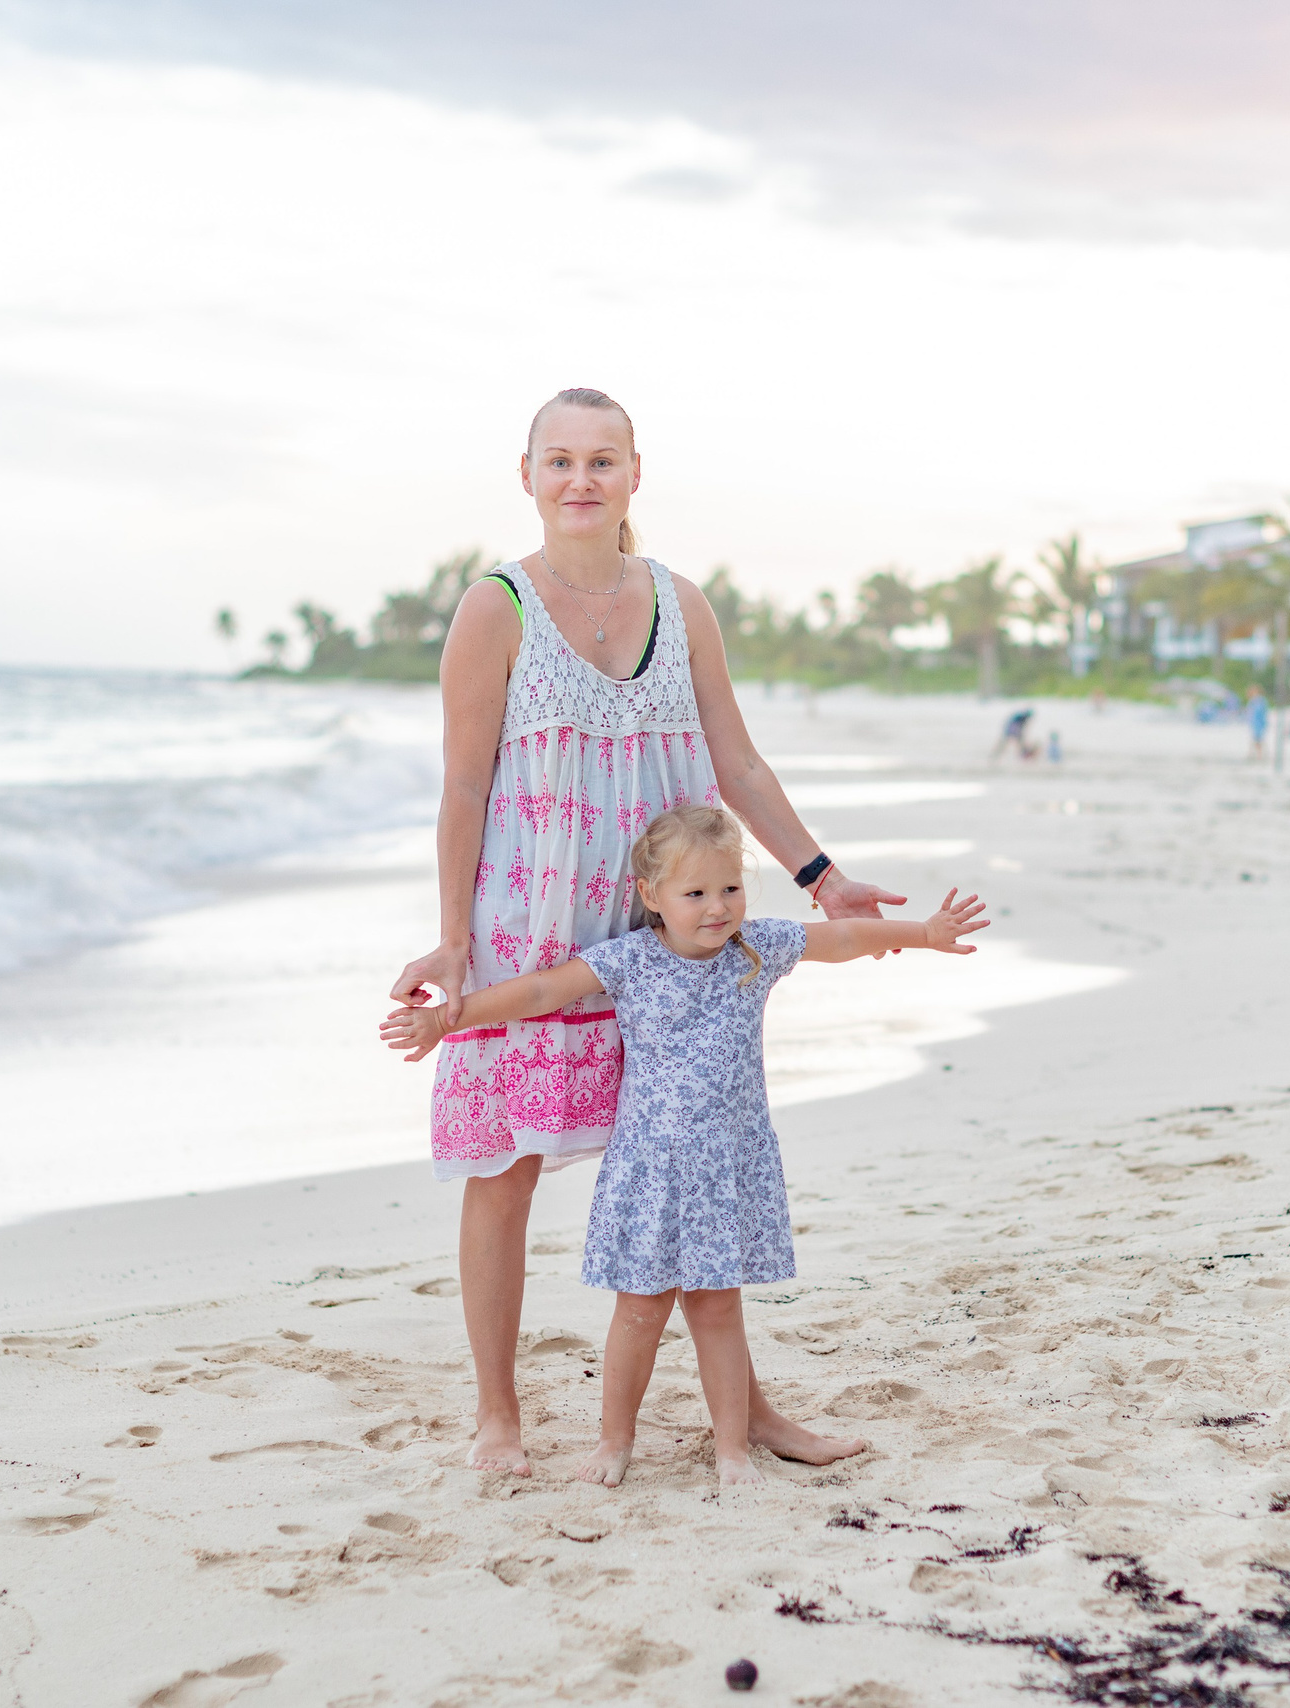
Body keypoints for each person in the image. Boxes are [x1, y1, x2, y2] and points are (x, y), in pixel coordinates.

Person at [385, 387, 907, 1476]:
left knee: (697, 1167)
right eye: (560, 460)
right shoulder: (497, 608)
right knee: (507, 1167)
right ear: (525, 474)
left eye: (602, 461)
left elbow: (736, 757)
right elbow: (464, 784)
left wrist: (819, 874)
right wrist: (450, 940)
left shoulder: (680, 602)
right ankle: (499, 1417)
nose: (581, 480)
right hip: (532, 924)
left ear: (634, 472)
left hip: (675, 929)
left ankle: (750, 1410)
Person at [383, 804, 990, 1486]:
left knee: (718, 1307)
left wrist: (926, 934)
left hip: (728, 1168)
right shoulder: (630, 962)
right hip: (651, 1171)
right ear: (652, 898)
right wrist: (445, 1021)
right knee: (639, 1310)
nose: (716, 907)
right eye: (695, 894)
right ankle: (614, 1443)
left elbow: (839, 938)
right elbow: (543, 990)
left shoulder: (756, 952)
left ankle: (733, 1448)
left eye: (729, 888)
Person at [1245, 687, 1269, 761]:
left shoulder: (1260, 701)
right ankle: (1256, 754)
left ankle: (1259, 755)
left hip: (1259, 723)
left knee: (1258, 740)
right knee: (1256, 740)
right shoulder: (1254, 701)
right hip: (1255, 723)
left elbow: (1260, 713)